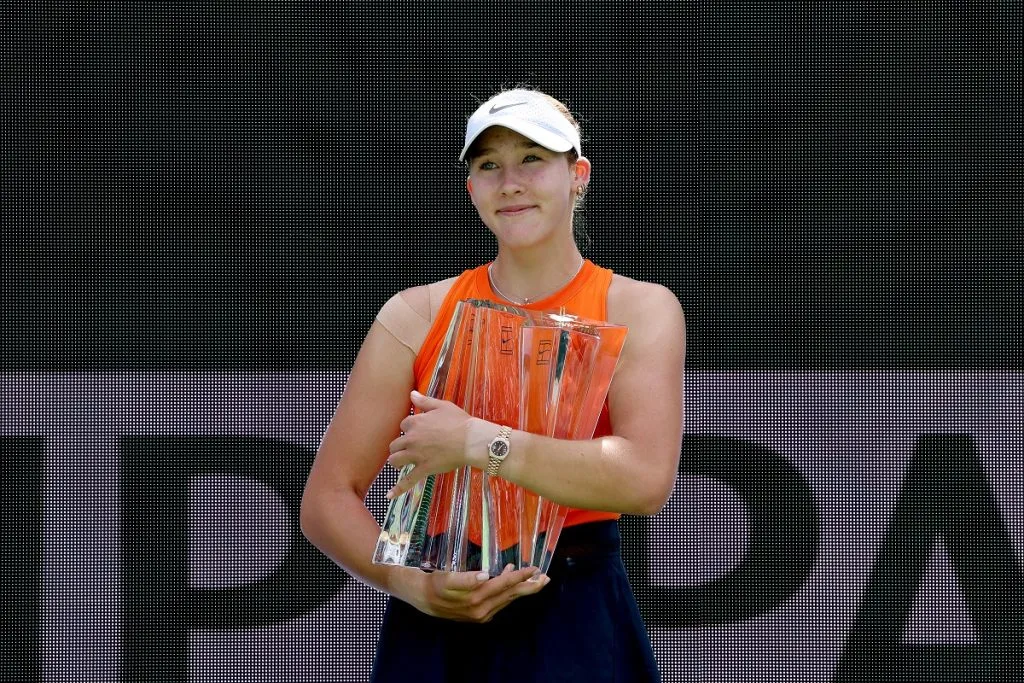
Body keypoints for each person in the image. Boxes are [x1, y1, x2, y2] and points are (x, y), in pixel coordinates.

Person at [300, 88, 685, 682]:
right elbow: (326, 500)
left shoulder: (640, 307)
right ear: (471, 188)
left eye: (532, 158)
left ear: (577, 175)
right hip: (437, 615)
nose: (510, 181)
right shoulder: (415, 315)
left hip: (578, 617)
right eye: (488, 165)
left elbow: (644, 479)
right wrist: (411, 583)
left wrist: (479, 441)